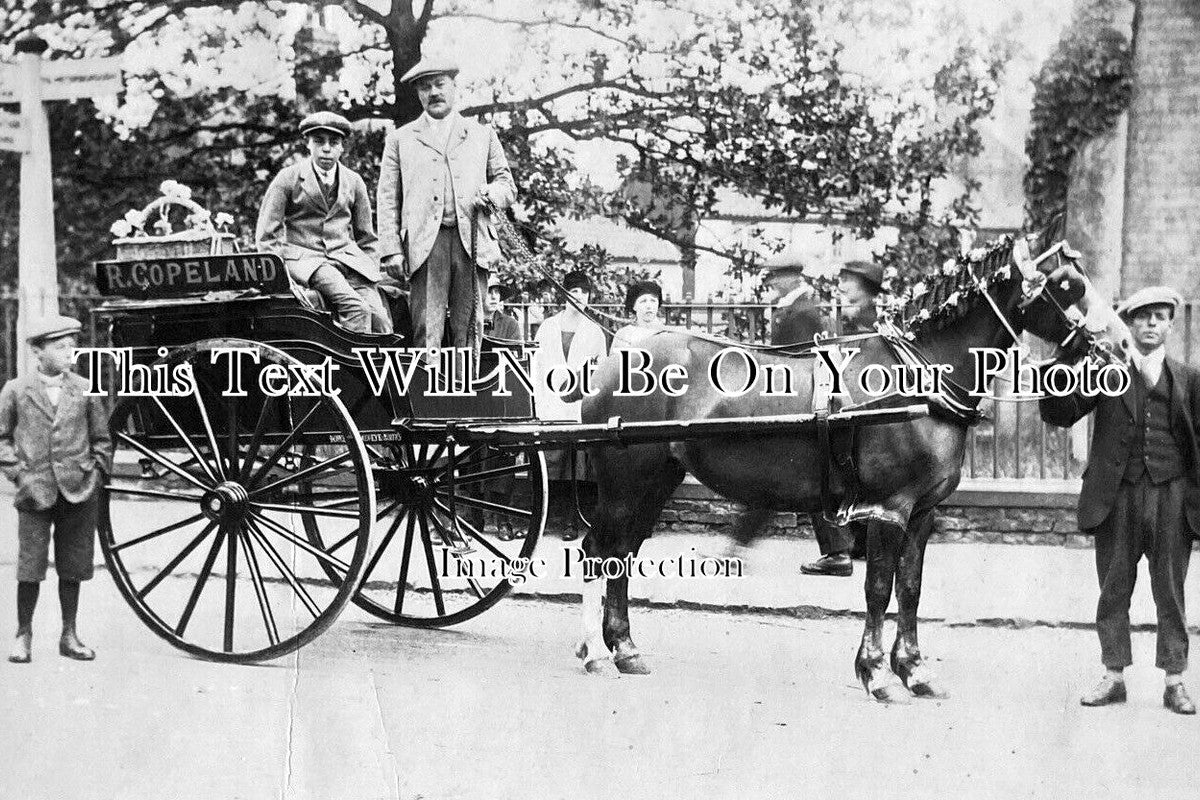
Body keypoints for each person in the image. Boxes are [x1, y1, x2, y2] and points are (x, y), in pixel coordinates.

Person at [1041, 286, 1198, 715]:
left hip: (1170, 496)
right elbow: (1057, 412)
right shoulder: (1106, 373)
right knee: (1113, 590)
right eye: (1143, 316)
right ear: (1128, 323)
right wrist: (1067, 356)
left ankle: (1175, 680)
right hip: (1116, 496)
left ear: (1169, 325)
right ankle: (1113, 675)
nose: (1151, 323)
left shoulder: (1188, 378)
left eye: (1160, 316)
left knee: (1170, 591)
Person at [376, 57, 517, 352]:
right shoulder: (400, 140)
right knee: (426, 327)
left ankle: (464, 394)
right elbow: (388, 198)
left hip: (472, 241)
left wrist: (492, 193)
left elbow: (507, 186)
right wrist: (391, 249)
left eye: (440, 84)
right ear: (418, 94)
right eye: (425, 87)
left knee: (470, 326)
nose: (434, 92)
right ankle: (430, 395)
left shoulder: (482, 134)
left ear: (454, 88)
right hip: (425, 245)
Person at [1, 315, 113, 663]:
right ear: (38, 351)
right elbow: (1, 439)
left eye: (71, 346)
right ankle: (24, 634)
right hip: (35, 492)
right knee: (30, 566)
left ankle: (69, 633)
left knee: (74, 564)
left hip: (78, 490)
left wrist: (95, 474)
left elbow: (102, 439)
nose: (69, 353)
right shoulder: (16, 390)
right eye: (60, 347)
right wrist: (19, 475)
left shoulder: (83, 387)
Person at [256, 111, 390, 334]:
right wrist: (280, 278)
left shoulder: (353, 181)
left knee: (380, 319)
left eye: (334, 142)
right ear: (307, 144)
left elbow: (367, 237)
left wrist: (369, 270)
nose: (326, 148)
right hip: (307, 260)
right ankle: (352, 368)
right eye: (319, 142)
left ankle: (381, 367)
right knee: (356, 309)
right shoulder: (288, 178)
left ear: (342, 147)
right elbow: (267, 235)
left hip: (347, 260)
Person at [800, 259, 884, 576]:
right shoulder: (850, 312)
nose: (842, 285)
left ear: (864, 286)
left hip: (859, 396)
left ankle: (839, 551)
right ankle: (855, 544)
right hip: (849, 393)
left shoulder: (868, 315)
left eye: (847, 280)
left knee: (833, 465)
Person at [532, 271, 608, 540]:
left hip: (579, 406)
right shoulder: (547, 327)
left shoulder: (594, 331)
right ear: (563, 295)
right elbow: (536, 368)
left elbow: (600, 373)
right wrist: (537, 402)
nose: (579, 297)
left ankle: (570, 521)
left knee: (575, 463)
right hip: (549, 403)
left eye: (584, 293)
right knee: (550, 461)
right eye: (574, 291)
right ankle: (543, 519)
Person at [612, 280, 664, 351]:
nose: (649, 306)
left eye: (653, 301)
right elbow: (616, 361)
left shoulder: (667, 332)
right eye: (643, 301)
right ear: (634, 306)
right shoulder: (624, 334)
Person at [483, 275, 522, 341]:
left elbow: (516, 349)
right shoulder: (468, 324)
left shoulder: (510, 325)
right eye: (489, 292)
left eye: (496, 292)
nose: (494, 297)